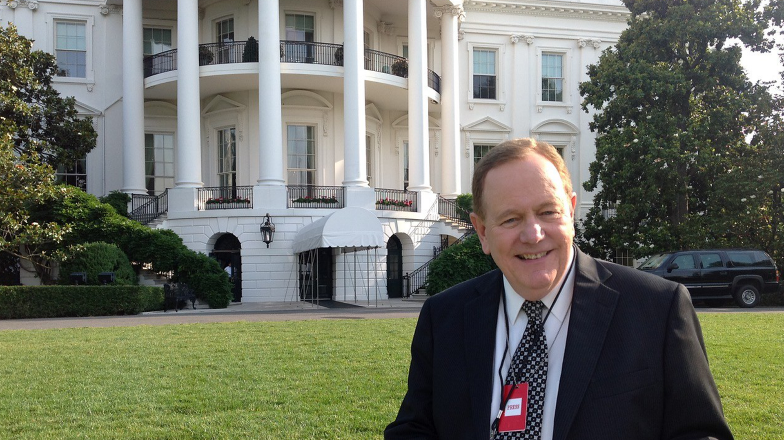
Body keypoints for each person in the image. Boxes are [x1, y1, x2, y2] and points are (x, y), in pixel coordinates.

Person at [385, 138, 733, 440]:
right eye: (510, 219)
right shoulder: (444, 316)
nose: (533, 234)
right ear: (482, 232)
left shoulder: (656, 309)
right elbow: (414, 429)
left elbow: (700, 434)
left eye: (547, 212)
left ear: (570, 211)